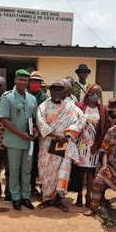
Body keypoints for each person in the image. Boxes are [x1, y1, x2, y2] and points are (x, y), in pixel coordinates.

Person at [36, 79, 86, 212]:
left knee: (62, 172)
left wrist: (68, 134)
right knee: (45, 172)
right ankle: (46, 199)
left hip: (64, 144)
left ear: (64, 91)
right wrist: (56, 135)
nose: (57, 92)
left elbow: (81, 120)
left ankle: (58, 199)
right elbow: (41, 124)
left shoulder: (70, 106)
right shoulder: (43, 107)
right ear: (50, 91)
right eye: (54, 89)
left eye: (60, 89)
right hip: (47, 144)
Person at [0, 69, 38, 211]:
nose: (23, 82)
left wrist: (34, 130)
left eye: (25, 80)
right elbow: (4, 119)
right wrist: (21, 134)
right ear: (15, 80)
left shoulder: (32, 99)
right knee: (14, 170)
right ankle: (16, 198)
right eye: (20, 79)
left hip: (29, 142)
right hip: (14, 141)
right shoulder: (7, 97)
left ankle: (25, 196)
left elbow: (34, 120)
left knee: (27, 170)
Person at [71, 84, 109, 207]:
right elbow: (74, 123)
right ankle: (79, 195)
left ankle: (89, 196)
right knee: (80, 170)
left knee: (91, 171)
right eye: (92, 92)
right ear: (88, 93)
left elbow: (104, 129)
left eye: (98, 93)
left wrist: (97, 145)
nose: (95, 95)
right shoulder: (80, 107)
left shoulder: (103, 109)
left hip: (94, 144)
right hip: (81, 144)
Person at [28, 71, 48, 197]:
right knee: (27, 162)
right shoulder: (25, 95)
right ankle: (27, 186)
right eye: (33, 81)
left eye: (37, 82)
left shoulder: (45, 99)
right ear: (29, 83)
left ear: (40, 84)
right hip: (26, 134)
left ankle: (36, 187)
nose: (35, 84)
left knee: (37, 161)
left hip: (41, 135)